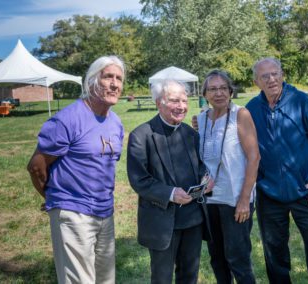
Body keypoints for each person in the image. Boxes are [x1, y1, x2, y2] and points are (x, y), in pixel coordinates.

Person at [27, 55, 125, 284]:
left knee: (105, 280)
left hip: (105, 212)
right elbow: (36, 166)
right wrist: (55, 199)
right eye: (108, 76)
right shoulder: (67, 120)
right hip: (74, 213)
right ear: (91, 81)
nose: (115, 84)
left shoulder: (116, 122)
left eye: (119, 78)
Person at [246, 58, 308, 283]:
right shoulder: (250, 110)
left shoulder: (302, 101)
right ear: (256, 81)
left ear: (282, 74)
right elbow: (233, 137)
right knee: (274, 255)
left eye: (275, 73)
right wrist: (203, 122)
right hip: (270, 194)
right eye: (265, 76)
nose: (271, 79)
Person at [127, 80, 213, 284]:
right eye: (174, 100)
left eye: (184, 100)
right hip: (162, 222)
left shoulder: (191, 134)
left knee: (189, 275)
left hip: (193, 219)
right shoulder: (141, 136)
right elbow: (139, 180)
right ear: (159, 103)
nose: (181, 106)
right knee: (162, 278)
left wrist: (205, 179)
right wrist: (171, 193)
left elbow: (200, 166)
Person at [197, 70, 260, 283]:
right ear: (204, 93)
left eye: (223, 88)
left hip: (235, 199)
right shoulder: (201, 119)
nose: (219, 93)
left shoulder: (240, 115)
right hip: (209, 199)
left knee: (238, 258)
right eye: (213, 89)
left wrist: (244, 199)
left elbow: (254, 157)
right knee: (217, 258)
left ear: (231, 91)